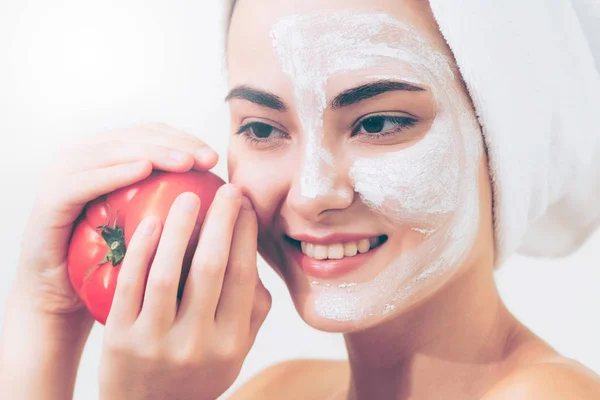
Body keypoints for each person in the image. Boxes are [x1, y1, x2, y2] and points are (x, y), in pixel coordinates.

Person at [2, 0, 600, 399]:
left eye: (380, 122)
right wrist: (45, 314)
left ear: (509, 139)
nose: (313, 192)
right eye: (262, 129)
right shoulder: (281, 389)